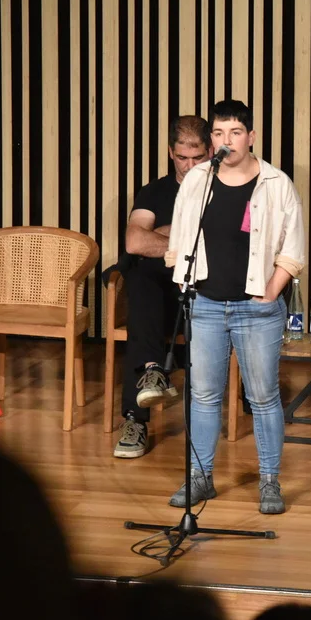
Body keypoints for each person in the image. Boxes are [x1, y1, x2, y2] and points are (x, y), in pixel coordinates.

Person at [164, 99, 304, 513]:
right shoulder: (198, 180)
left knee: (262, 397)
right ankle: (200, 477)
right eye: (219, 133)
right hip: (206, 304)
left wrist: (271, 291)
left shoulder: (276, 183)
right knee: (204, 395)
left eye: (236, 132)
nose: (227, 141)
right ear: (212, 140)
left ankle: (269, 481)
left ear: (251, 137)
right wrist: (184, 279)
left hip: (256, 310)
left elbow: (293, 249)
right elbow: (180, 238)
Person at [113, 115, 211, 459]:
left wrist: (163, 234)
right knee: (141, 278)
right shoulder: (154, 191)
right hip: (160, 301)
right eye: (182, 157)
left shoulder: (222, 189)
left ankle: (151, 374)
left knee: (147, 288)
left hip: (206, 295)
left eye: (197, 157)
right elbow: (134, 242)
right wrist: (189, 236)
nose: (189, 166)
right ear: (171, 152)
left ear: (210, 152)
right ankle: (139, 410)